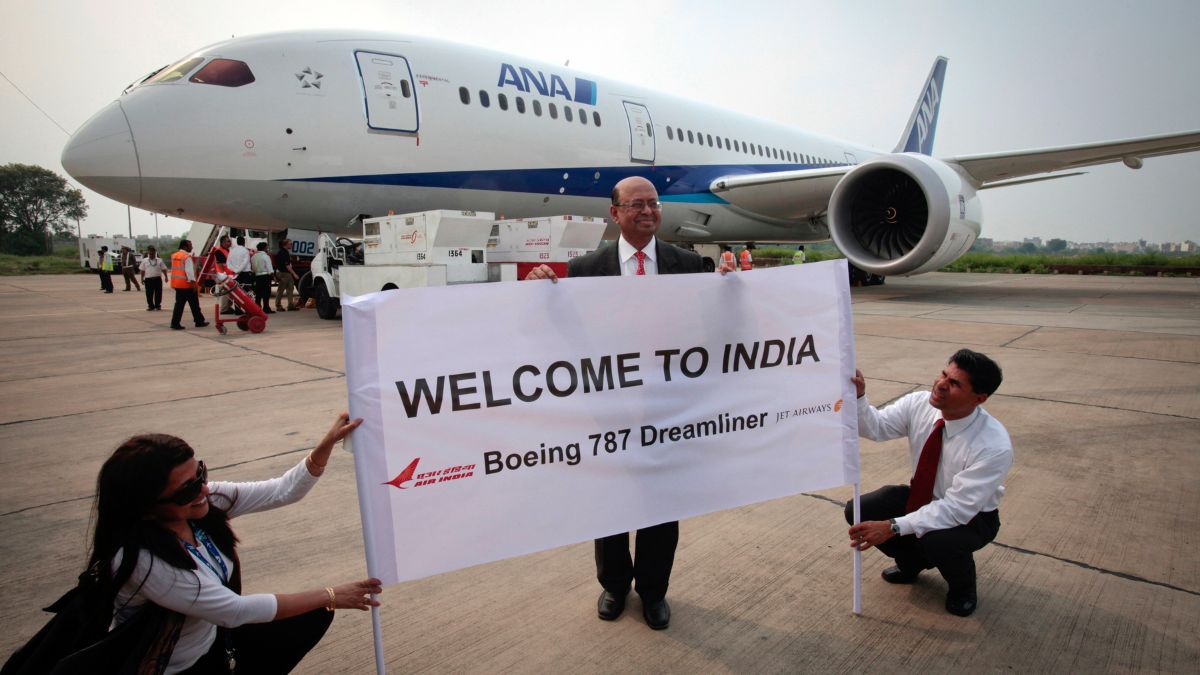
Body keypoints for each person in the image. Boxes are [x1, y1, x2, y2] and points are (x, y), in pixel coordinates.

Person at [525, 176, 733, 630]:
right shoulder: (584, 270)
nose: (647, 210)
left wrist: (730, 288)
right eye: (636, 204)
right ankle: (614, 584)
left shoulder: (691, 265)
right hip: (609, 408)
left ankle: (654, 591)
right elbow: (564, 333)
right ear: (614, 213)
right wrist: (541, 286)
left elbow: (716, 327)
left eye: (654, 203)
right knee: (612, 498)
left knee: (662, 500)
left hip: (669, 405)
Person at [85, 413, 382, 673]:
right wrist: (331, 595)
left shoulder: (203, 502)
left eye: (199, 473)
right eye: (186, 489)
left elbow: (283, 490)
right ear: (145, 507)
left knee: (309, 618)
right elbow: (235, 611)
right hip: (170, 667)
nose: (202, 489)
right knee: (314, 609)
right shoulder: (144, 562)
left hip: (212, 643)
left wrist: (327, 443)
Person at [845, 349, 1011, 617]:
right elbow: (876, 427)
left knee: (937, 540)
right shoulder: (919, 404)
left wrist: (893, 526)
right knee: (859, 511)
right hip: (922, 498)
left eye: (955, 383)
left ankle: (963, 587)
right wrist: (859, 397)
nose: (941, 384)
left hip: (972, 517)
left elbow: (956, 509)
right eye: (944, 374)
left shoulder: (993, 446)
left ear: (979, 398)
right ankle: (912, 562)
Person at [170, 240, 209, 330]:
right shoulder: (186, 257)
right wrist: (194, 284)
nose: (192, 247)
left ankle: (177, 322)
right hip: (186, 285)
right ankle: (198, 321)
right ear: (184, 247)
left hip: (177, 284)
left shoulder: (174, 255)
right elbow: (189, 273)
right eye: (190, 246)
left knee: (180, 305)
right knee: (194, 304)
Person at [227, 236, 252, 315]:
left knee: (237, 292)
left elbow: (228, 263)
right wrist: (239, 270)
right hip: (244, 273)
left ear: (237, 242)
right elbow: (245, 262)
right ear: (244, 242)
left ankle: (238, 310)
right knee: (246, 292)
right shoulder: (245, 251)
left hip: (235, 274)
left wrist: (235, 270)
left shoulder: (232, 251)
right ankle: (247, 309)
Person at [274, 239, 300, 312]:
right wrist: (294, 274)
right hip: (284, 273)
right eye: (290, 244)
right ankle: (279, 305)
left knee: (289, 289)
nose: (291, 245)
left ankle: (290, 305)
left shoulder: (283, 252)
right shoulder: (284, 253)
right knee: (281, 289)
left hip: (284, 273)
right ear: (285, 244)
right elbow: (287, 265)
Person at [140, 246, 168, 311]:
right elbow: (142, 270)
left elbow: (164, 269)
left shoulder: (159, 260)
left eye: (153, 252)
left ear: (155, 252)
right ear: (148, 253)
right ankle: (150, 306)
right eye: (150, 252)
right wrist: (141, 278)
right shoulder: (144, 260)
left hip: (157, 279)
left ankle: (158, 305)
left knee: (158, 293)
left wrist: (166, 277)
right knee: (149, 293)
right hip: (148, 279)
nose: (151, 253)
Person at [251, 242, 276, 313]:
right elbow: (269, 268)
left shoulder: (253, 256)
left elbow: (252, 267)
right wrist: (273, 276)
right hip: (265, 276)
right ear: (264, 248)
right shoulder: (266, 256)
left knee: (258, 293)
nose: (267, 249)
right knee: (266, 293)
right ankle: (266, 308)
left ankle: (257, 308)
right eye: (267, 247)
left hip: (257, 276)